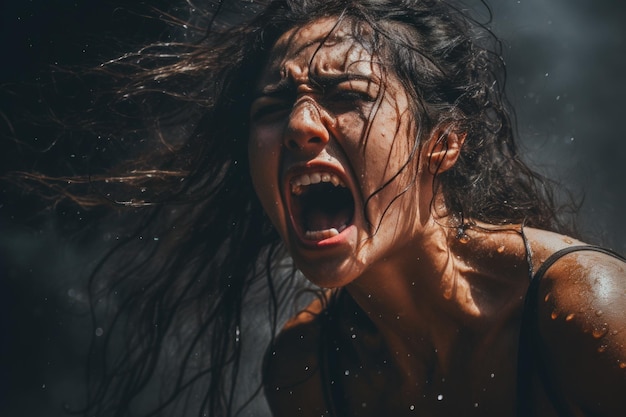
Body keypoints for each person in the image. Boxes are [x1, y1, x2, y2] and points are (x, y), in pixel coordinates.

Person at [5, 0, 625, 416]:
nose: (301, 125)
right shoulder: (308, 373)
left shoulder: (581, 309)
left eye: (346, 95)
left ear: (443, 142)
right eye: (271, 107)